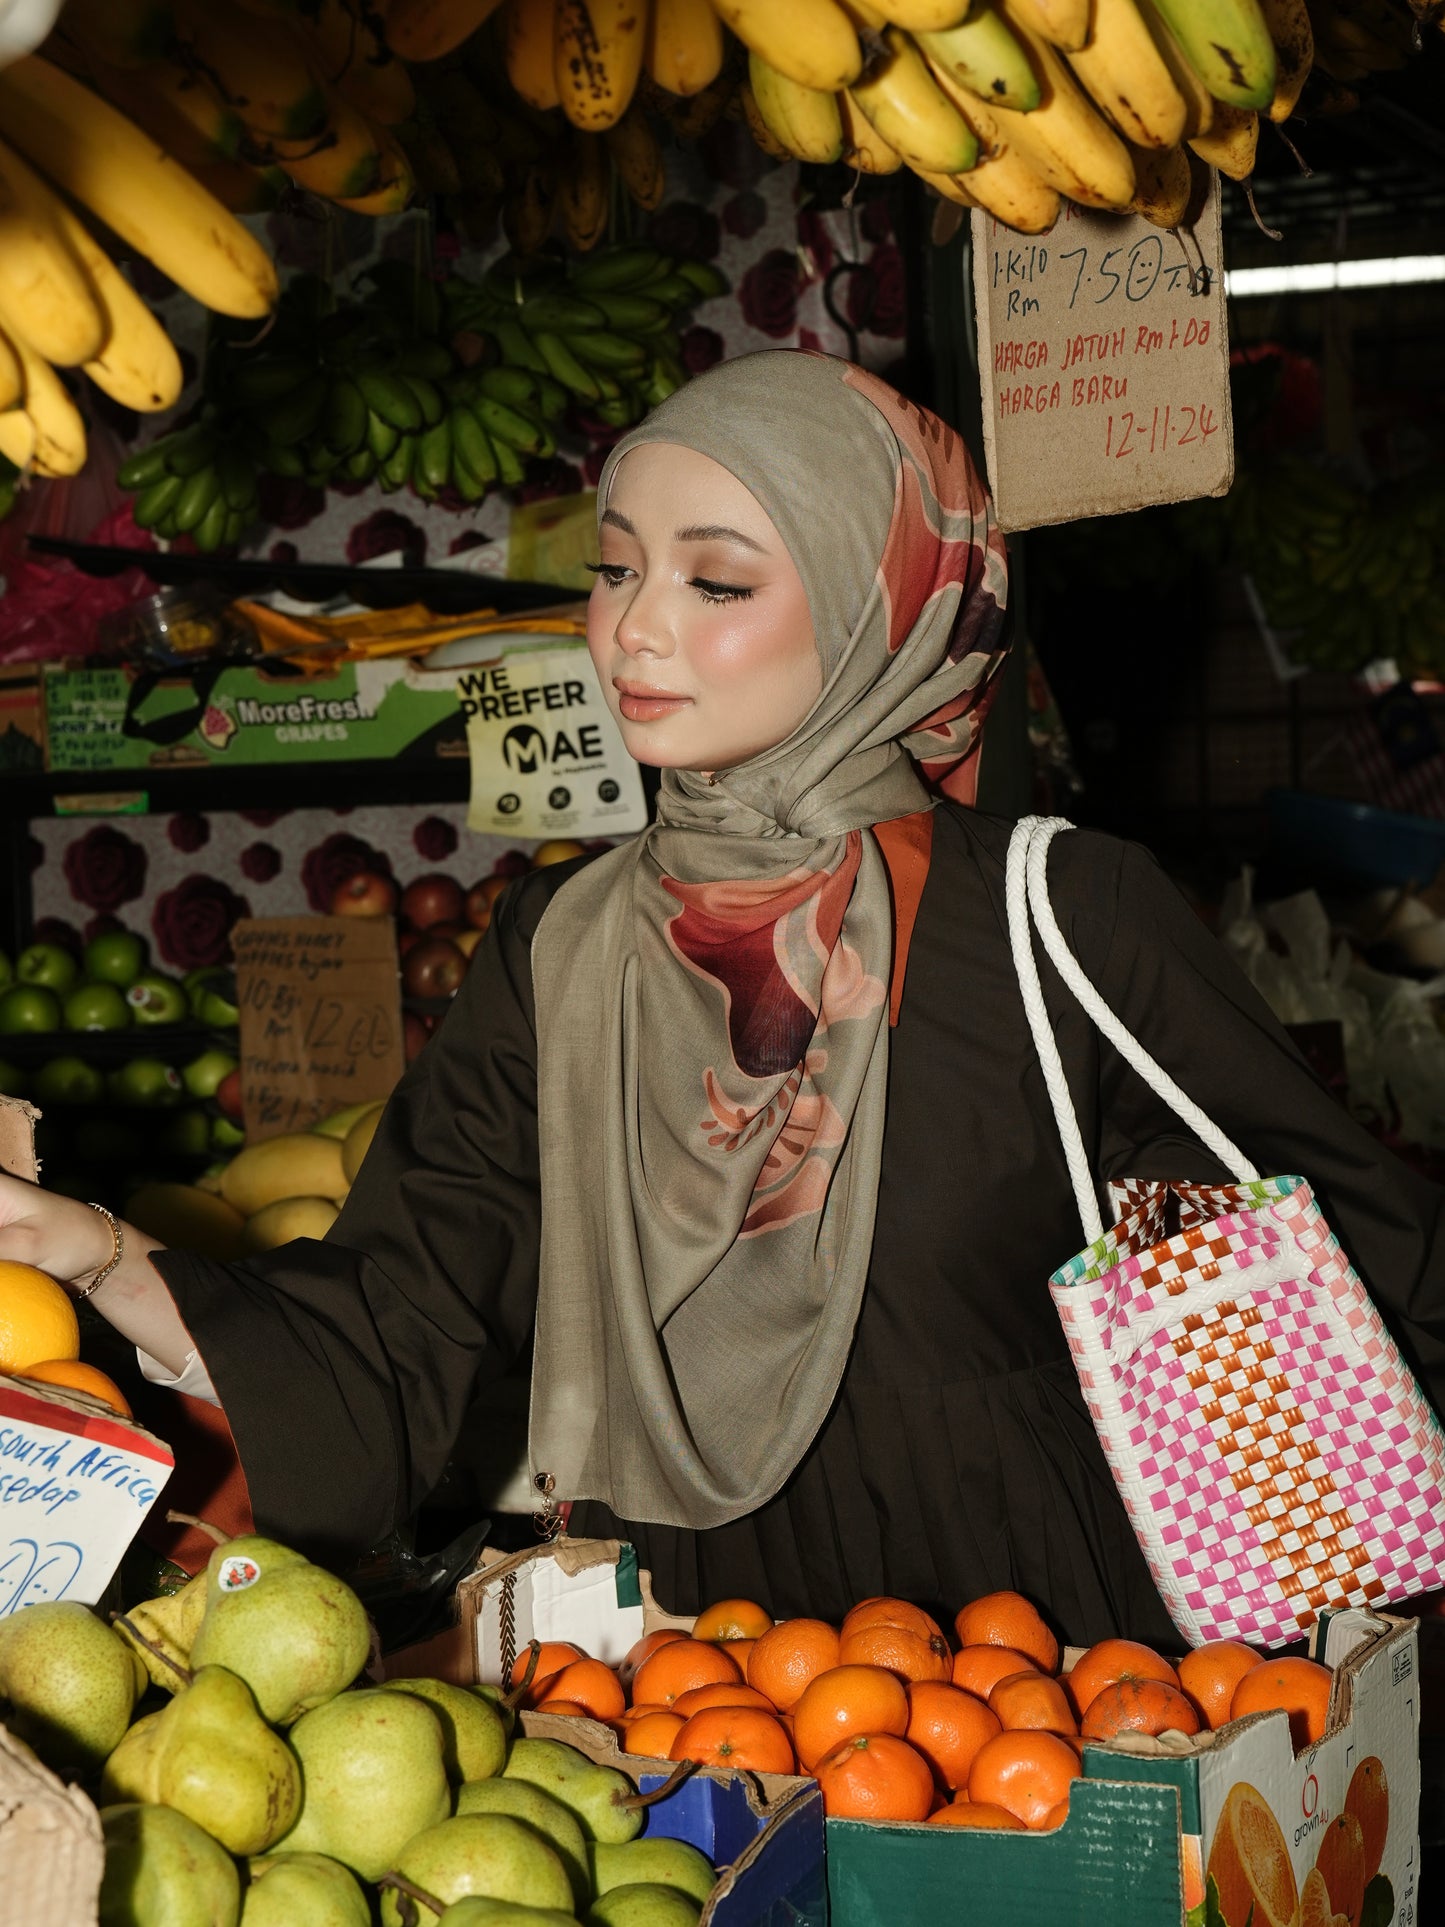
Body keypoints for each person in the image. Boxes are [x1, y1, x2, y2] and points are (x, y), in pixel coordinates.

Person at [3, 351, 1444, 1650]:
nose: (632, 631)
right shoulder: (560, 945)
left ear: (878, 598)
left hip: (1044, 1662)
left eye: (716, 580)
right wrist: (96, 1254)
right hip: (697, 1673)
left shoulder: (1056, 916)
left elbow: (1372, 1259)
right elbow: (409, 1311)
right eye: (618, 569)